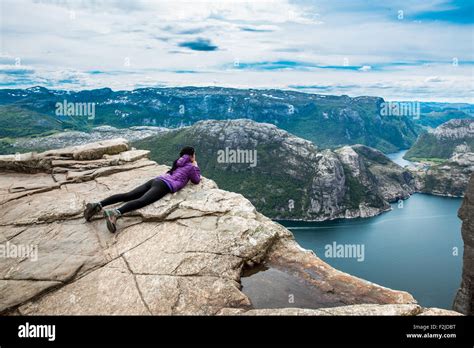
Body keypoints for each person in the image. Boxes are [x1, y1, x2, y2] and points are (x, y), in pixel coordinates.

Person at [83, 146, 200, 233]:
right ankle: (114, 213)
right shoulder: (191, 166)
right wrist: (196, 165)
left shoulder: (177, 162)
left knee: (128, 195)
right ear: (191, 156)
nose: (195, 156)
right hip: (164, 186)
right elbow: (196, 180)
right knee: (142, 201)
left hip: (156, 180)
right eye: (194, 154)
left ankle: (98, 205)